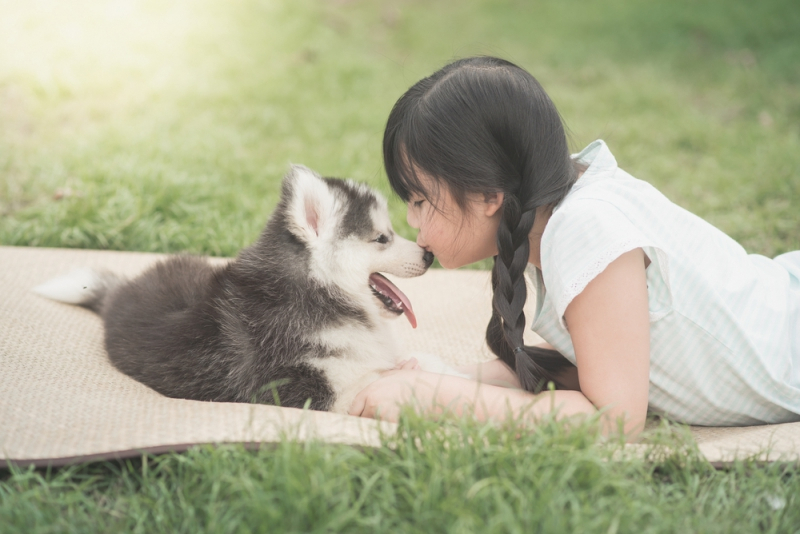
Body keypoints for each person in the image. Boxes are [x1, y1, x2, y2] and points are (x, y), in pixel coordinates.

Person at [347, 56, 800, 438]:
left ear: (489, 195)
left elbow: (614, 420)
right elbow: (594, 362)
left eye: (421, 199)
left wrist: (437, 398)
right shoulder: (560, 213)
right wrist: (451, 374)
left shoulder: (584, 230)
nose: (411, 219)